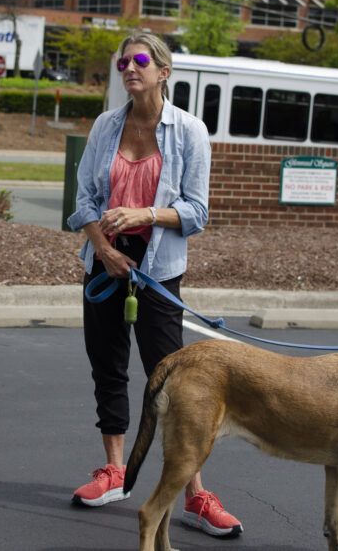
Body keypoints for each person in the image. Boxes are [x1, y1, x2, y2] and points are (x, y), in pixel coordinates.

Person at [66, 32, 242, 538]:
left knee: (175, 383)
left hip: (158, 267)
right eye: (123, 60)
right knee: (108, 367)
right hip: (106, 262)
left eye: (139, 60)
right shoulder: (106, 125)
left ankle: (195, 494)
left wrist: (145, 213)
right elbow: (82, 202)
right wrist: (103, 249)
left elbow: (198, 211)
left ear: (163, 71)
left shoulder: (188, 131)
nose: (128, 67)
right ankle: (114, 471)